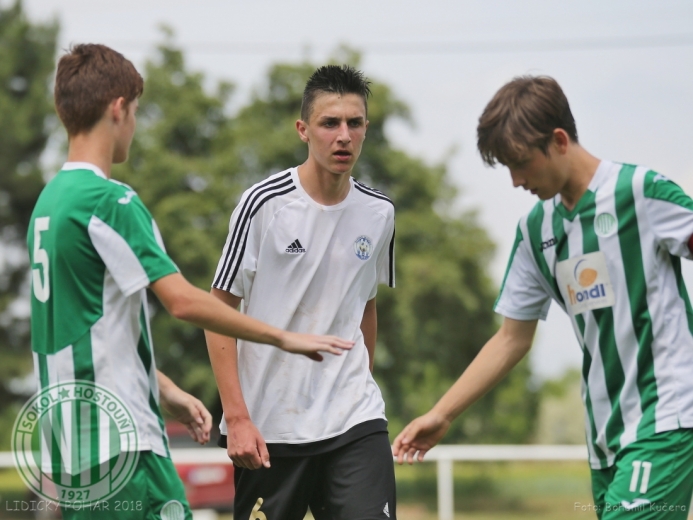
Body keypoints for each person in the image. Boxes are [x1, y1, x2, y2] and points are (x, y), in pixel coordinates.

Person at [27, 44, 352, 520]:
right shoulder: (109, 201)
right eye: (135, 111)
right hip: (122, 448)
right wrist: (284, 336)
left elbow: (83, 333)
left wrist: (167, 391)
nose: (134, 125)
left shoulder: (49, 204)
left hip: (71, 448)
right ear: (119, 109)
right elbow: (182, 301)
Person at [392, 76, 693, 519]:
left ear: (558, 140)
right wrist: (443, 414)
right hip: (606, 439)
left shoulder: (640, 193)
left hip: (666, 416)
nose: (515, 181)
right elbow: (512, 338)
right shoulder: (537, 231)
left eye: (521, 163)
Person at [206, 64, 397, 519]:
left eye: (354, 123)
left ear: (366, 129)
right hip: (271, 427)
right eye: (330, 123)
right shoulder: (263, 205)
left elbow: (365, 303)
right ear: (303, 130)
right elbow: (217, 311)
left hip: (354, 418)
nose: (343, 135)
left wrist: (360, 377)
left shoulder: (380, 213)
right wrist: (236, 418)